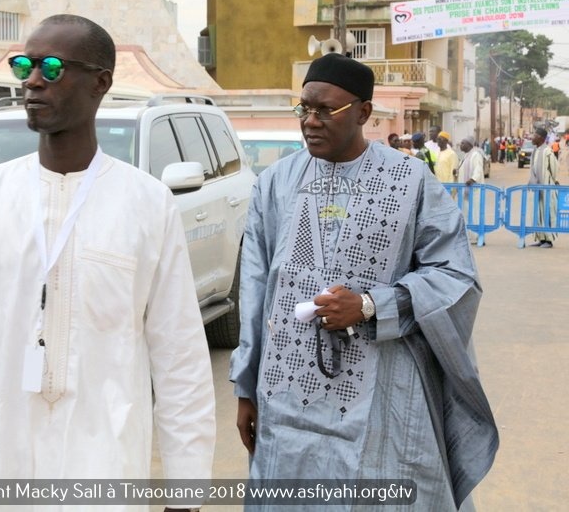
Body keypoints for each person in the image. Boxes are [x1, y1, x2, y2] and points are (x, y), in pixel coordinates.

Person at [0, 14, 216, 511]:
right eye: (25, 66)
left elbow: (179, 356)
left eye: (52, 67)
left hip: (106, 464)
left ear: (101, 82)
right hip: (4, 463)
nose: (32, 81)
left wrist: (186, 495)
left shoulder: (146, 204)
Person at [230, 52, 497, 510]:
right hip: (287, 394)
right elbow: (256, 290)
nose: (310, 122)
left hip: (380, 392)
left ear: (363, 112)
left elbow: (455, 275)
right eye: (304, 109)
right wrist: (245, 386)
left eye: (325, 110)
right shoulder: (275, 183)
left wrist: (372, 305)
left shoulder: (409, 180)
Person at [528, 127, 559, 248]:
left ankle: (548, 240)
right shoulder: (535, 151)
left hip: (547, 187)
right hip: (537, 187)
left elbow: (554, 168)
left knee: (547, 212)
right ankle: (541, 238)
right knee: (538, 212)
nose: (532, 137)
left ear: (540, 138)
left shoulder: (547, 151)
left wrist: (553, 181)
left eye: (534, 135)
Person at [458, 136, 485, 244]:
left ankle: (478, 236)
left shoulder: (476, 154)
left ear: (469, 144)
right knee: (466, 212)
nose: (461, 145)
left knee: (475, 212)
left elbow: (478, 169)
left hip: (474, 189)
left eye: (463, 143)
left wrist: (473, 179)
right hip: (465, 190)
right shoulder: (466, 156)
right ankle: (469, 236)